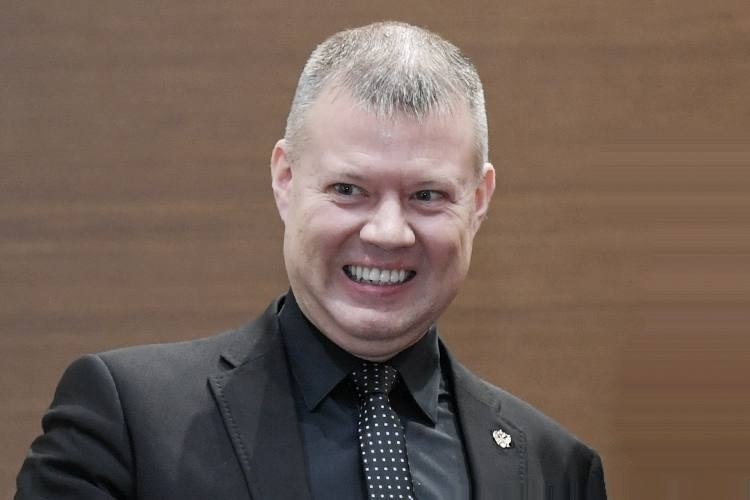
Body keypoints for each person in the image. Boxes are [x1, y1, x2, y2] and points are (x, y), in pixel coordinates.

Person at [16, 21, 606, 500]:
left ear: (478, 202)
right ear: (285, 179)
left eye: (427, 195)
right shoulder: (128, 423)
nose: (388, 232)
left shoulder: (556, 471)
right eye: (349, 190)